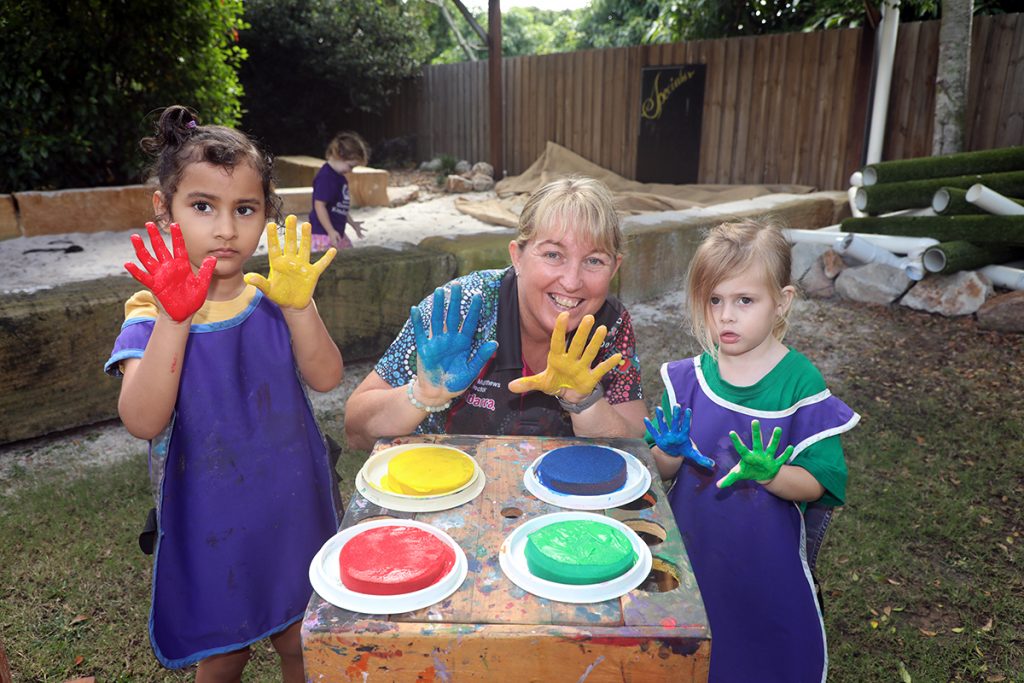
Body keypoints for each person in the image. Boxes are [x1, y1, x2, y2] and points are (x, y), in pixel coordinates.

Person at [105, 106, 343, 681]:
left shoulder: (275, 295)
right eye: (203, 206)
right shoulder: (149, 314)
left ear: (266, 214)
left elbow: (327, 377)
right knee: (223, 653)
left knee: (301, 639)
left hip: (294, 506)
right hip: (210, 517)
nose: (226, 229)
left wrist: (299, 307)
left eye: (245, 209)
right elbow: (141, 418)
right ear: (164, 208)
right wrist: (174, 318)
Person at [644, 220, 859, 682]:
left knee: (761, 656)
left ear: (781, 301)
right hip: (695, 558)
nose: (726, 316)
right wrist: (668, 451)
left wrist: (771, 475)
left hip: (766, 565)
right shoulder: (686, 381)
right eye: (714, 300)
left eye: (745, 300)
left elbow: (820, 483)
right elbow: (661, 475)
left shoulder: (800, 384)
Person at [344, 176, 646, 450]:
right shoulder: (461, 308)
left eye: (594, 261)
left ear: (615, 268)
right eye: (553, 255)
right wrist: (422, 396)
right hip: (440, 491)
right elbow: (355, 431)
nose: (571, 281)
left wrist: (585, 402)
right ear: (517, 256)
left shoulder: (610, 324)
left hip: (559, 495)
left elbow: (638, 451)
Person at [309, 131, 369, 252]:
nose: (351, 171)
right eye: (350, 166)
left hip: (336, 232)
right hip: (323, 234)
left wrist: (353, 224)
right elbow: (319, 206)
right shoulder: (326, 177)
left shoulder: (340, 178)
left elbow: (340, 208)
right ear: (339, 156)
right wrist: (330, 230)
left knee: (349, 258)